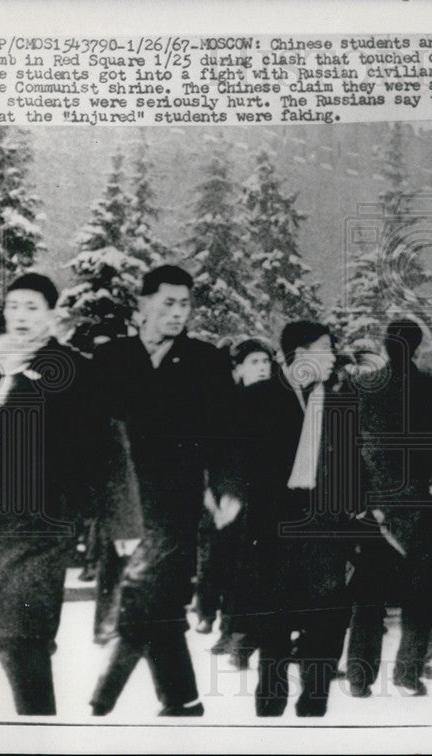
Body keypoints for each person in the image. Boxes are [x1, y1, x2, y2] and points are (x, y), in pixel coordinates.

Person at [89, 265, 233, 717]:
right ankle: (182, 700)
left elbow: (224, 436)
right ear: (143, 304)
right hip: (124, 501)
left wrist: (225, 488)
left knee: (146, 595)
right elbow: (95, 433)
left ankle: (101, 701)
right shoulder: (113, 358)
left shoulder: (205, 360)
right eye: (168, 303)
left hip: (177, 500)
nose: (177, 313)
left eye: (185, 304)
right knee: (158, 603)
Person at [0, 273, 95, 715]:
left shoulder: (72, 369)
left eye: (32, 307)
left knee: (23, 643)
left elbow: (101, 446)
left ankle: (38, 735)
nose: (20, 315)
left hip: (43, 525)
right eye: (14, 305)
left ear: (53, 314)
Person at [216, 320, 363, 717]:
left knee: (329, 621)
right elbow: (231, 456)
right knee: (275, 624)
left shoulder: (341, 400)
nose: (333, 357)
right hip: (274, 526)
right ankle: (271, 704)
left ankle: (314, 705)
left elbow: (357, 459)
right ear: (300, 354)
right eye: (326, 349)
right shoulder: (259, 398)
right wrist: (230, 495)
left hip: (328, 525)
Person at [347, 319, 432, 697]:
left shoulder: (362, 386)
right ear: (417, 346)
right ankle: (407, 674)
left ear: (384, 345)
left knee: (368, 596)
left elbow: (354, 450)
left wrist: (364, 502)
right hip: (421, 504)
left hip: (374, 507)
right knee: (421, 593)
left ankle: (359, 677)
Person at [196, 338, 277, 657]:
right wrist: (215, 494)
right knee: (227, 564)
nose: (261, 368)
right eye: (254, 362)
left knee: (255, 567)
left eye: (266, 362)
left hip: (265, 496)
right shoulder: (226, 403)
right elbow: (216, 453)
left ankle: (243, 634)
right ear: (239, 367)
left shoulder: (277, 402)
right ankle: (230, 630)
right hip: (228, 497)